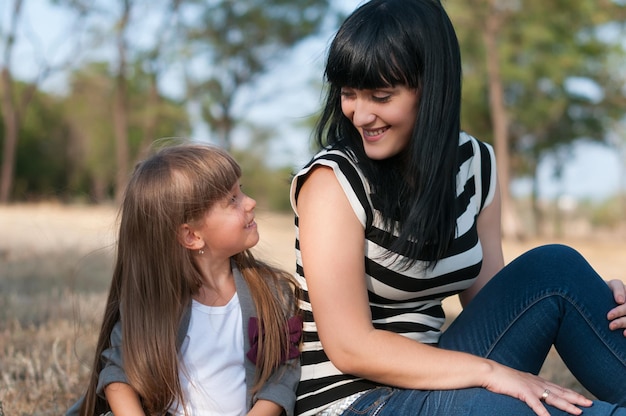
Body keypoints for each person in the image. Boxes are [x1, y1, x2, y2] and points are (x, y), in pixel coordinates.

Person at [289, 1, 626, 415]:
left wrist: (590, 304)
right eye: (348, 95)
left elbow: (499, 303)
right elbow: (349, 347)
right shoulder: (332, 181)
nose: (360, 115)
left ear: (432, 88)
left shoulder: (475, 164)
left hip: (440, 373)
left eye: (380, 96)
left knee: (556, 270)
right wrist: (487, 372)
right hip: (358, 400)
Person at [67, 143, 302, 416]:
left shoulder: (271, 292)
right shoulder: (154, 302)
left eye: (242, 191)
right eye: (232, 200)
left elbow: (282, 373)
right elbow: (119, 374)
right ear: (192, 236)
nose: (250, 202)